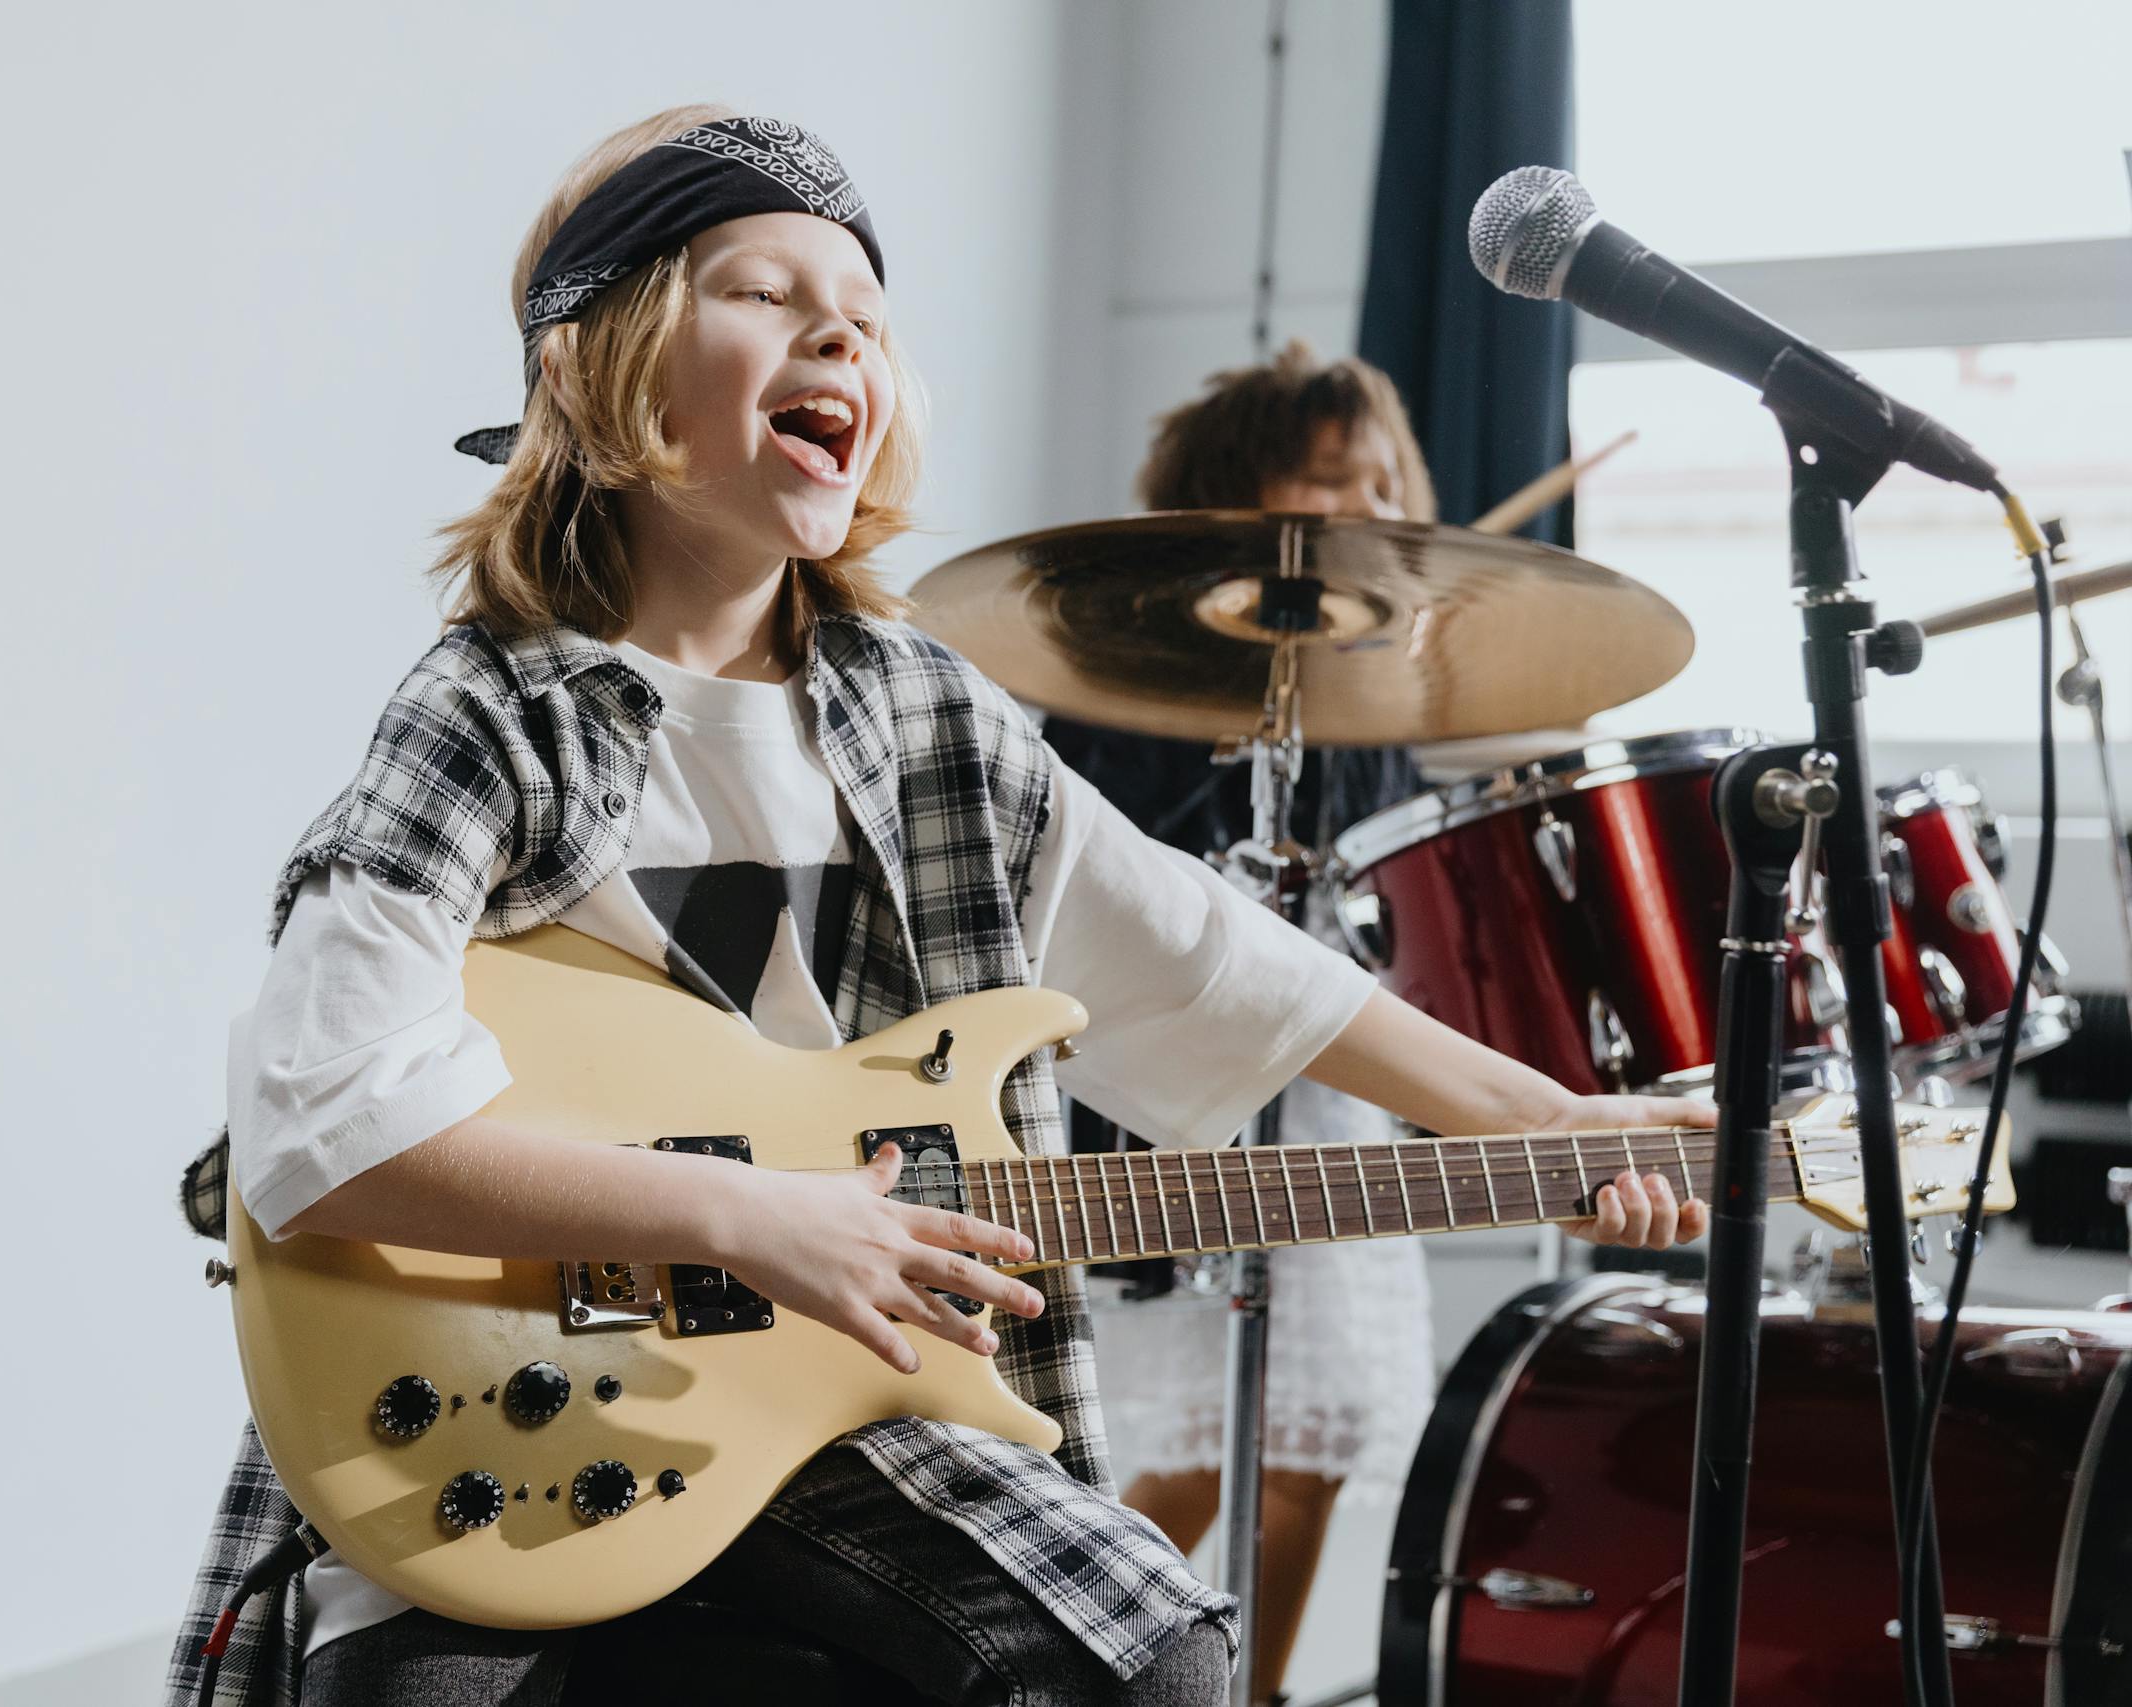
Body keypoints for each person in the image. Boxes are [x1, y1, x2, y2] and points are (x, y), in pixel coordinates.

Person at [166, 105, 1708, 1707]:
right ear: (591, 365)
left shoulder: (922, 715)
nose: (839, 330)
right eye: (763, 291)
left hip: (860, 1404)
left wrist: (1557, 1124)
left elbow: (1215, 958)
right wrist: (747, 1218)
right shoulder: (493, 712)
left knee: (1158, 1663)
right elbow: (322, 1131)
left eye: (866, 313)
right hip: (504, 1400)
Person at [1045, 345, 1444, 1702]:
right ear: (1231, 495)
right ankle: (1077, 1669)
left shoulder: (1370, 687)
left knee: (1309, 1438)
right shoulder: (1141, 675)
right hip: (1195, 1081)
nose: (1369, 503)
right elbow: (1106, 891)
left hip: (1332, 1089)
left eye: (1383, 479)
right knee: (1212, 1444)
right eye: (1330, 476)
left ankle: (1234, 1692)